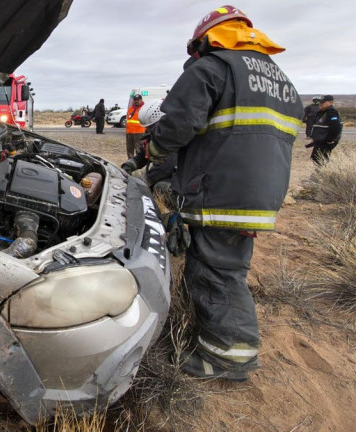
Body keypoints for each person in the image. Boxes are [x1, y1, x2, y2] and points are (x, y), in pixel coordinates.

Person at [147, 5, 303, 381]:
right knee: (226, 269)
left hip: (220, 191)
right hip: (258, 193)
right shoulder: (279, 80)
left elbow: (179, 124)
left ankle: (228, 360)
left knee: (216, 275)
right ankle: (221, 345)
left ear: (206, 40)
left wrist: (151, 152)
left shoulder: (212, 68)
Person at [120, 98, 176, 191]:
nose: (149, 130)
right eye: (147, 128)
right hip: (171, 173)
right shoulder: (158, 134)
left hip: (189, 178)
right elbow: (144, 155)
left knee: (160, 188)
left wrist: (143, 181)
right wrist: (129, 165)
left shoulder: (176, 136)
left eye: (150, 127)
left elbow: (165, 167)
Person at [307, 95, 343, 165]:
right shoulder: (323, 111)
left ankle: (324, 173)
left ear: (330, 102)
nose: (320, 104)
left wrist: (330, 140)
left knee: (320, 158)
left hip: (326, 141)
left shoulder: (331, 112)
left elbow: (336, 127)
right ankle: (320, 174)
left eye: (323, 102)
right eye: (320, 102)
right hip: (321, 140)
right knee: (317, 158)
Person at [125, 94, 145, 158]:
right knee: (129, 148)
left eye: (138, 100)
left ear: (141, 100)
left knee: (139, 149)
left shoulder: (143, 109)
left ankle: (138, 161)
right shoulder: (130, 109)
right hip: (129, 132)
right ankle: (130, 161)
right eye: (135, 100)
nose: (136, 101)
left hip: (139, 132)